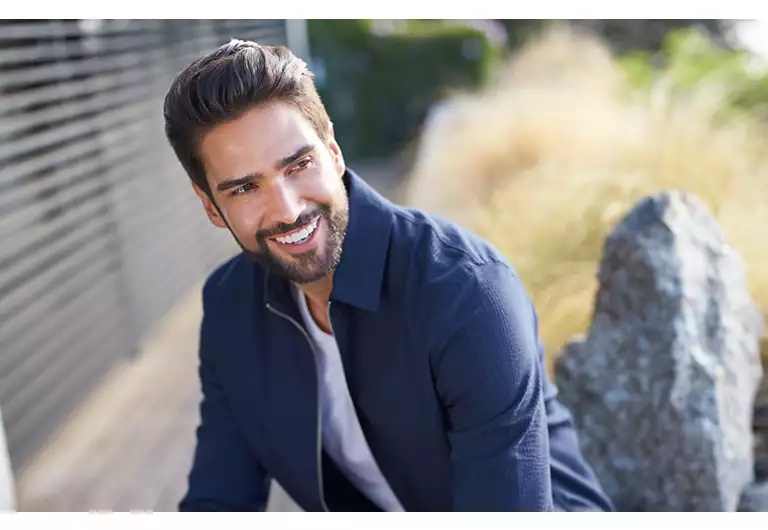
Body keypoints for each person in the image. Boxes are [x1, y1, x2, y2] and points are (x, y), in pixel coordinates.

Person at [163, 39, 613, 512]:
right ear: (210, 206)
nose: (287, 210)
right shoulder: (231, 307)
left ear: (333, 152)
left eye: (299, 165)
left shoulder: (466, 293)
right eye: (245, 189)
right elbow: (219, 500)